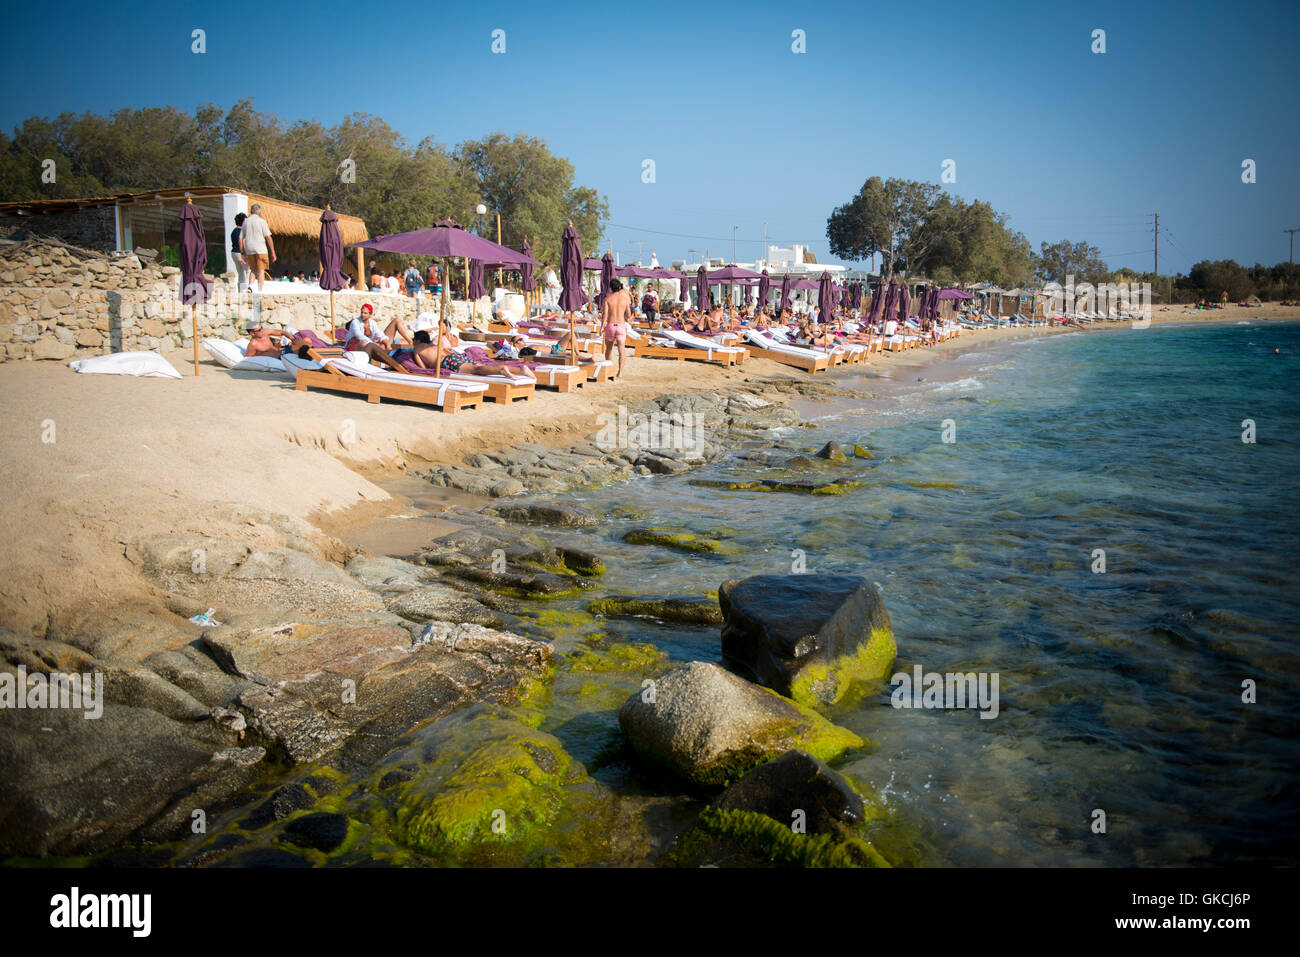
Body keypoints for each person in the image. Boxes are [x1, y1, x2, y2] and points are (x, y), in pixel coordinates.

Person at [344, 303, 414, 360]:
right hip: (356, 345)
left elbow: (380, 335)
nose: (362, 315)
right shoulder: (355, 322)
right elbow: (360, 336)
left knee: (397, 321)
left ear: (370, 315)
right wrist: (374, 344)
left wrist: (388, 345)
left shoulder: (372, 323)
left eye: (365, 313)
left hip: (373, 344)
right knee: (365, 344)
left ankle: (411, 343)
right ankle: (387, 357)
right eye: (362, 312)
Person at [239, 204, 275, 293]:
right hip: (260, 248)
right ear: (259, 212)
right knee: (261, 270)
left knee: (253, 269)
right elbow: (268, 238)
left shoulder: (245, 222)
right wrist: (273, 252)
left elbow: (240, 238)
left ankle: (250, 286)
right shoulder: (262, 221)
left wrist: (242, 252)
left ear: (251, 212)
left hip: (249, 249)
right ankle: (260, 290)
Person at [600, 277, 632, 377]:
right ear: (620, 287)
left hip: (610, 325)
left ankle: (608, 370)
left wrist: (601, 327)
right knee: (621, 350)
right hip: (621, 326)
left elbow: (604, 316)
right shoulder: (625, 299)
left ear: (611, 288)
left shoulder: (608, 299)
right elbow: (628, 315)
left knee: (609, 349)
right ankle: (620, 372)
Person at [229, 212, 249, 293]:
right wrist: (244, 253)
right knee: (247, 272)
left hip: (234, 253)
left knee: (240, 273)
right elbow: (243, 242)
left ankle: (240, 291)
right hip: (240, 253)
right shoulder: (242, 231)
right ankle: (245, 291)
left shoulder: (234, 231)